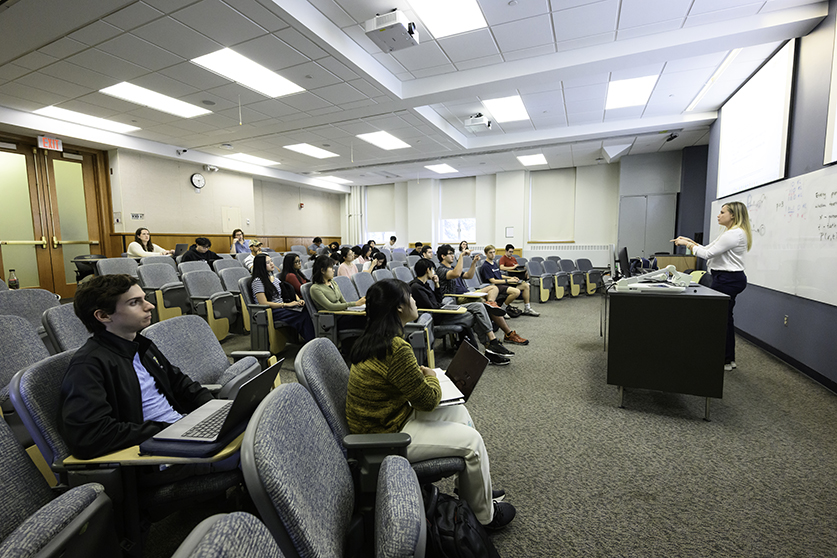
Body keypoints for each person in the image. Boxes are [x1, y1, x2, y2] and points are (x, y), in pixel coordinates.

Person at [345, 279, 516, 530]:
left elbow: (402, 383)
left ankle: (473, 490)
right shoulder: (395, 348)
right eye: (409, 297)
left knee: (458, 410)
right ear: (398, 309)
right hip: (386, 436)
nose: (414, 300)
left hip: (388, 419)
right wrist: (433, 379)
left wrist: (422, 377)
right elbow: (427, 400)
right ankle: (484, 518)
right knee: (473, 443)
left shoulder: (372, 339)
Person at [59, 274, 214, 460]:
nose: (149, 306)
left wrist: (216, 409)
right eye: (134, 303)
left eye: (144, 299)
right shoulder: (88, 365)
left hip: (179, 435)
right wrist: (167, 428)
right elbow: (89, 436)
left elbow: (180, 383)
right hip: (152, 455)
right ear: (103, 315)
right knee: (249, 455)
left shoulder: (140, 345)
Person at [672, 201, 752, 371]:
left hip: (727, 280)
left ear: (733, 215)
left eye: (722, 212)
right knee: (725, 319)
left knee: (719, 319)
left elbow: (706, 254)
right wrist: (690, 241)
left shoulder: (733, 234)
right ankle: (727, 359)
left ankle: (723, 359)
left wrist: (687, 245)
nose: (718, 215)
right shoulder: (731, 233)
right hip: (728, 278)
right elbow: (707, 248)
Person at [410, 258, 511, 365]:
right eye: (432, 270)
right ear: (427, 270)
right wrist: (448, 309)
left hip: (442, 311)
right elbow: (431, 307)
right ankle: (491, 346)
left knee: (478, 306)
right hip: (439, 317)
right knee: (476, 315)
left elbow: (438, 300)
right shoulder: (416, 287)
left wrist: (437, 284)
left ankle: (491, 344)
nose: (434, 272)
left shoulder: (425, 285)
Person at [436, 244, 529, 346]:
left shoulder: (454, 267)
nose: (453, 256)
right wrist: (461, 257)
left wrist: (473, 263)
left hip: (467, 293)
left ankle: (491, 304)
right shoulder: (441, 270)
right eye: (450, 254)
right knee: (485, 304)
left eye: (453, 254)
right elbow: (456, 274)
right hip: (458, 298)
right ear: (443, 256)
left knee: (493, 288)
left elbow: (469, 275)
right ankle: (508, 333)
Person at [251, 254, 314, 342]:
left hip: (281, 308)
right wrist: (286, 305)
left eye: (271, 261)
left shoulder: (274, 279)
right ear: (261, 266)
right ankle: (311, 341)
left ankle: (312, 339)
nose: (272, 264)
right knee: (302, 315)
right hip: (271, 311)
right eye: (268, 262)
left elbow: (289, 290)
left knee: (307, 309)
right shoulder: (258, 281)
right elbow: (263, 303)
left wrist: (298, 300)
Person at [309, 255, 366, 331]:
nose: (334, 270)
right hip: (334, 320)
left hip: (344, 314)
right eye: (331, 268)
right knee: (367, 321)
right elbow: (330, 307)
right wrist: (355, 304)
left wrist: (355, 308)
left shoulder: (333, 282)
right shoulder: (315, 288)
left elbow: (343, 302)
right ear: (322, 270)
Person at [482, 245, 539, 317]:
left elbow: (500, 275)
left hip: (502, 284)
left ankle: (527, 308)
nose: (493, 254)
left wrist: (511, 278)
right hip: (495, 286)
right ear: (486, 253)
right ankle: (502, 309)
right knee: (516, 292)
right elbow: (493, 281)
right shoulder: (486, 266)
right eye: (490, 252)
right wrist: (507, 281)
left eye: (494, 252)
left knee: (525, 285)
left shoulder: (494, 263)